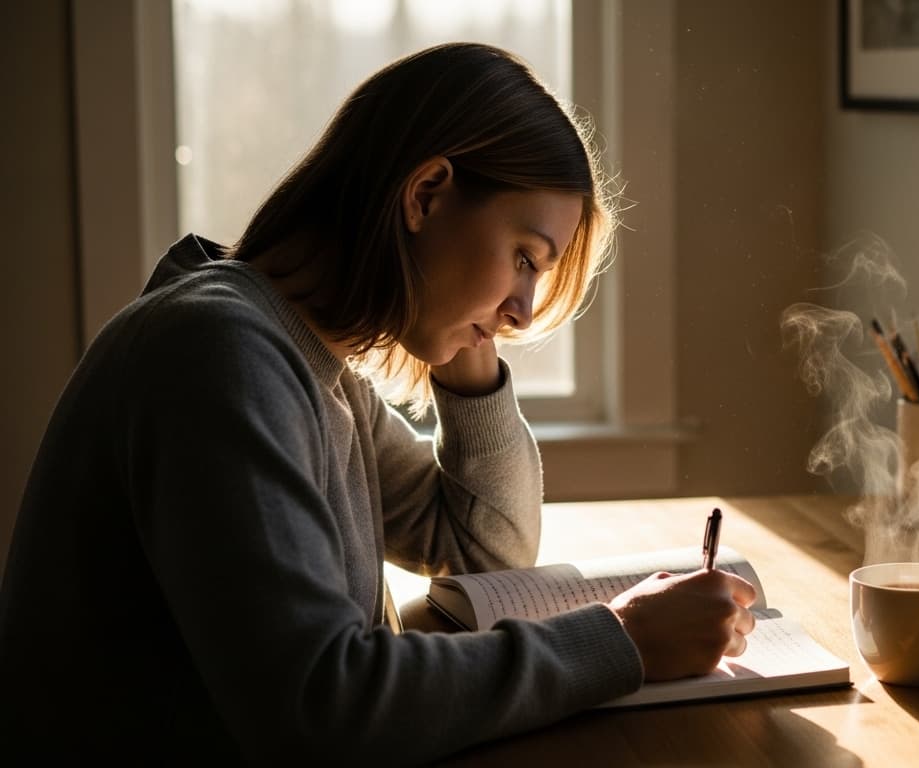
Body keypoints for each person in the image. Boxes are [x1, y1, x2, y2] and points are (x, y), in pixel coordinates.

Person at [0, 43, 757, 762]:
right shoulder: (218, 354)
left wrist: (473, 351)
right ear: (426, 194)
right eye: (524, 258)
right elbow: (323, 710)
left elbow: (483, 555)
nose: (524, 311)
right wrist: (622, 639)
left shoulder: (309, 361)